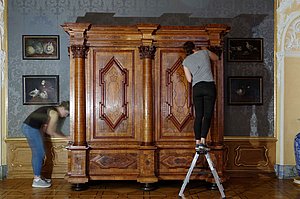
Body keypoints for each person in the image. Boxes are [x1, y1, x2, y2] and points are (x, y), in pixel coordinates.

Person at [21, 101, 70, 188]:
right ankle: (36, 180)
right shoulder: (54, 113)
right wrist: (66, 138)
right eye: (67, 113)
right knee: (39, 153)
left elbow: (45, 127)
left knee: (39, 152)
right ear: (63, 108)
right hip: (31, 129)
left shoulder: (50, 109)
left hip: (29, 128)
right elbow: (50, 131)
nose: (66, 116)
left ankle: (38, 176)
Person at [182, 41, 218, 152]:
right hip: (209, 86)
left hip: (197, 88)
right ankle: (203, 141)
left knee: (198, 115)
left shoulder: (185, 61)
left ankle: (197, 142)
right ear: (194, 48)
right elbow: (216, 58)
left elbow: (189, 79)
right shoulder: (204, 53)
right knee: (207, 115)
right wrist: (205, 49)